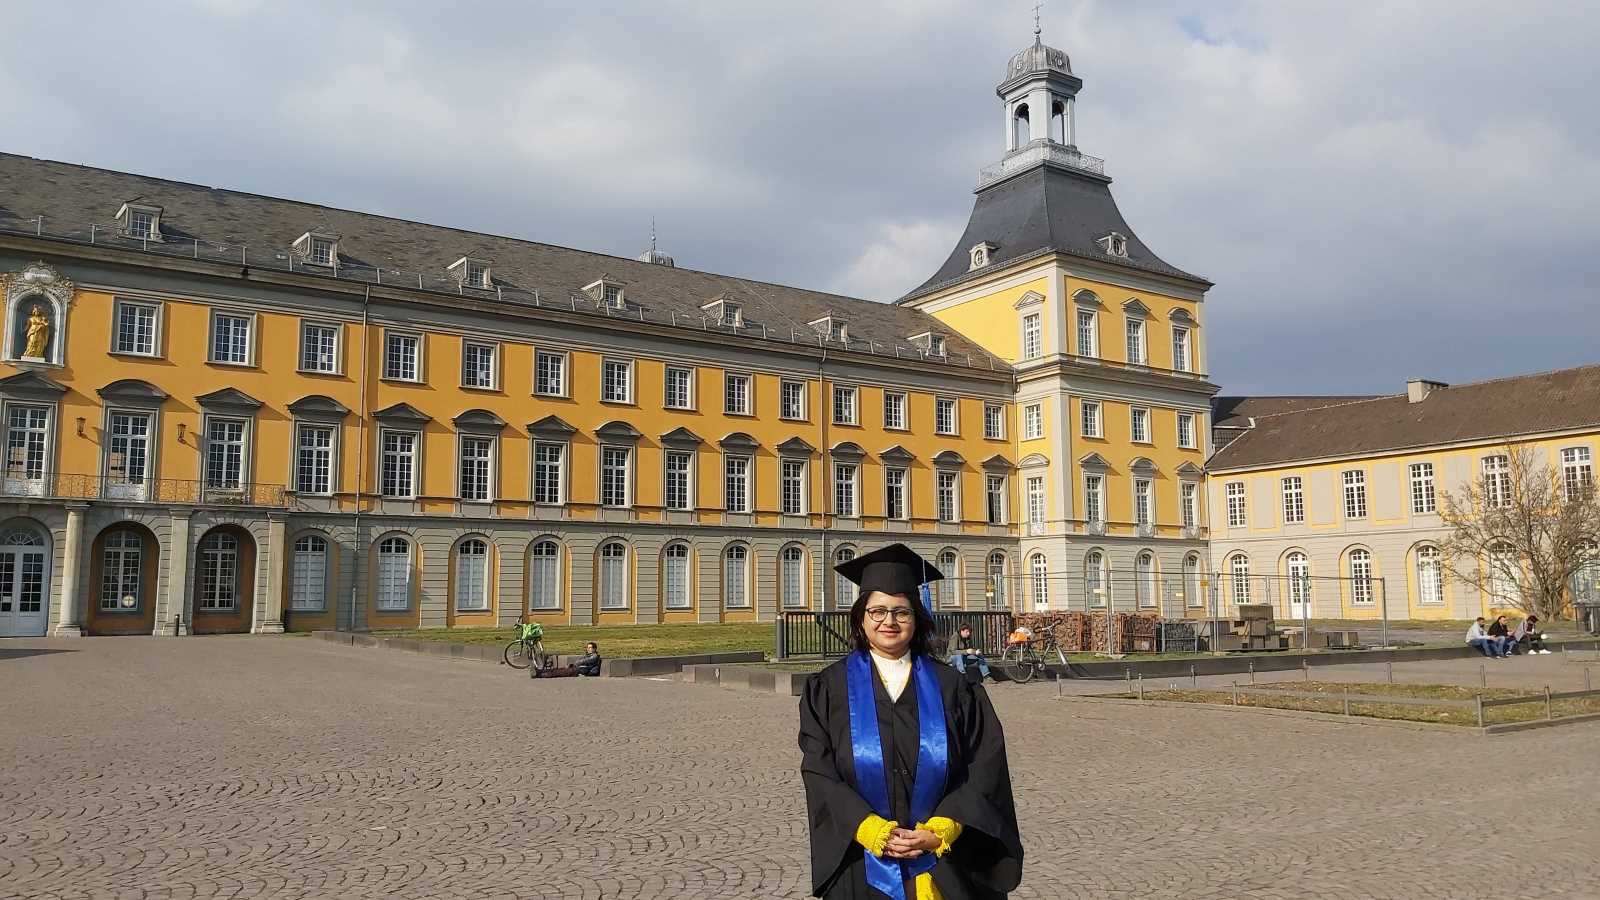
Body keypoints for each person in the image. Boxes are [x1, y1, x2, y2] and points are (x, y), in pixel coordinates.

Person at [799, 543, 1022, 900]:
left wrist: (943, 828)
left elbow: (984, 765)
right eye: (877, 611)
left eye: (901, 612)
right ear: (860, 618)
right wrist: (868, 828)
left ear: (917, 619)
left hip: (944, 863)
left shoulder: (954, 688)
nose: (889, 621)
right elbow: (818, 769)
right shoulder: (828, 689)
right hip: (861, 861)